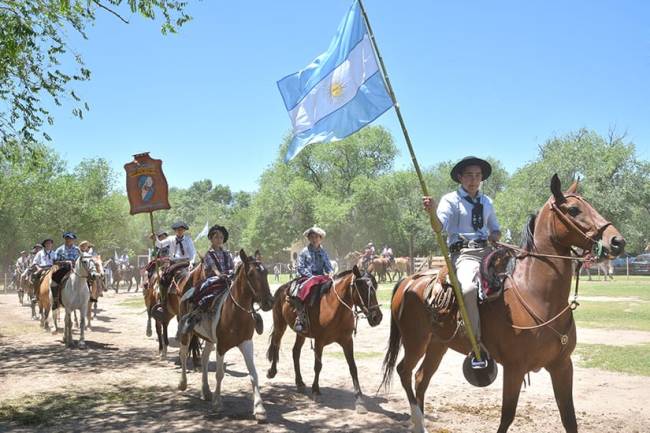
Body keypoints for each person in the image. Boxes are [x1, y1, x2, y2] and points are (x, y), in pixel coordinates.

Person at [423, 156, 501, 367]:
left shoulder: (487, 201)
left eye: (477, 176)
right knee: (468, 290)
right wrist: (432, 212)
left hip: (488, 250)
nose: (474, 180)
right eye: (469, 175)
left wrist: (496, 234)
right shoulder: (450, 200)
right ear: (460, 178)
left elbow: (495, 228)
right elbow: (439, 228)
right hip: (464, 254)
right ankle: (475, 344)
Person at [180, 224, 234, 336]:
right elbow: (214, 268)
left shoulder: (227, 254)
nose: (219, 240)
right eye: (216, 237)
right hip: (214, 279)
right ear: (211, 239)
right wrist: (220, 275)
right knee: (205, 292)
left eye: (221, 238)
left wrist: (231, 273)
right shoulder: (209, 254)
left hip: (228, 278)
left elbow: (231, 267)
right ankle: (197, 312)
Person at [291, 226, 333, 332]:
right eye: (312, 237)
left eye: (316, 237)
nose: (314, 239)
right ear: (309, 239)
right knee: (300, 291)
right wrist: (311, 277)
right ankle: (300, 317)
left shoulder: (324, 253)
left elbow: (328, 266)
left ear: (320, 238)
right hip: (307, 277)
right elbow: (300, 267)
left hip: (321, 277)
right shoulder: (304, 252)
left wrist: (330, 272)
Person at [152, 221, 195, 303]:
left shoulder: (188, 240)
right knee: (164, 279)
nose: (180, 231)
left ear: (184, 230)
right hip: (174, 263)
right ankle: (163, 300)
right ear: (175, 231)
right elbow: (160, 244)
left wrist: (191, 263)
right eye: (178, 230)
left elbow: (192, 252)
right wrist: (155, 239)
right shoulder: (171, 239)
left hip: (186, 262)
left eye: (181, 229)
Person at [51, 232, 81, 309]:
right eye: (67, 238)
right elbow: (55, 261)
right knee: (54, 280)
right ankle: (55, 300)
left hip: (76, 269)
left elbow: (81, 259)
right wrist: (65, 262)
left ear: (73, 240)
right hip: (63, 269)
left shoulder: (77, 249)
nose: (68, 240)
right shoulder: (60, 249)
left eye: (70, 239)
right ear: (64, 239)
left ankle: (88, 297)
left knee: (87, 278)